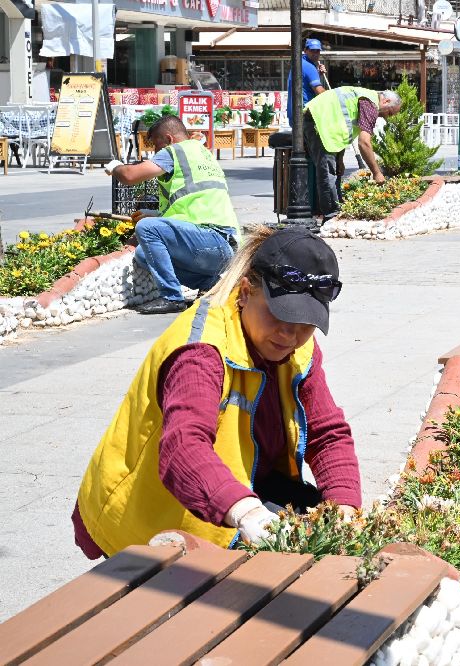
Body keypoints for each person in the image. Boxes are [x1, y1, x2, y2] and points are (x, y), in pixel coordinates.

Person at [73, 226, 362, 558]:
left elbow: (327, 433)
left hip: (243, 482)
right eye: (279, 315)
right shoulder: (200, 351)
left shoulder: (298, 347)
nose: (289, 335)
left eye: (305, 323)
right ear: (245, 292)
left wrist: (344, 507)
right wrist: (247, 513)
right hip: (150, 512)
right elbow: (184, 447)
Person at [104, 115, 239, 316]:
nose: (155, 153)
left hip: (212, 239)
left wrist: (115, 167)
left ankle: (172, 297)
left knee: (146, 227)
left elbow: (130, 175)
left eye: (156, 146)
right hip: (223, 247)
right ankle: (210, 284)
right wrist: (158, 214)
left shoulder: (175, 151)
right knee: (143, 255)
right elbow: (191, 202)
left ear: (169, 139)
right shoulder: (201, 152)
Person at [303, 87, 403, 219]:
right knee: (327, 173)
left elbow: (341, 129)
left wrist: (340, 159)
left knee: (334, 171)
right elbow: (364, 143)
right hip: (319, 120)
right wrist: (377, 173)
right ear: (386, 101)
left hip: (323, 121)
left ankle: (335, 210)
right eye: (389, 113)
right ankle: (331, 217)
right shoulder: (370, 104)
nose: (386, 117)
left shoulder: (366, 97)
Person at [286, 38, 326, 125]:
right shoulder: (309, 67)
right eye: (312, 51)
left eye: (317, 51)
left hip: (294, 113)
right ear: (305, 50)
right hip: (305, 115)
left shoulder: (299, 63)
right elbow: (320, 92)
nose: (315, 54)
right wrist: (336, 96)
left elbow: (304, 83)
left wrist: (317, 74)